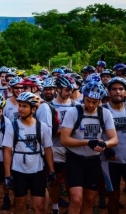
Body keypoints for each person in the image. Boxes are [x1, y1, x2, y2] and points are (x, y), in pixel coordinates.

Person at [60, 81, 118, 213]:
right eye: (88, 101)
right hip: (75, 159)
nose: (91, 105)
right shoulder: (73, 112)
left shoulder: (105, 114)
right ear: (83, 98)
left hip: (93, 161)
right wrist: (87, 142)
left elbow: (114, 139)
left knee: (90, 200)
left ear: (100, 101)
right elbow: (64, 139)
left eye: (95, 102)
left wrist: (104, 144)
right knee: (76, 199)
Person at [3, 92, 55, 214]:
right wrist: (7, 175)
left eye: (24, 106)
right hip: (18, 169)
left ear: (33, 109)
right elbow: (7, 150)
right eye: (19, 105)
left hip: (38, 169)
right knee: (20, 206)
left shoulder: (42, 127)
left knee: (40, 207)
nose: (20, 109)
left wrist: (51, 170)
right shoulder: (12, 126)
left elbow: (48, 149)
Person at [49, 74, 78, 214]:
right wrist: (66, 131)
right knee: (55, 179)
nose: (69, 93)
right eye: (66, 90)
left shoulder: (76, 106)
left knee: (71, 179)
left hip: (72, 148)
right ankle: (55, 207)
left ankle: (73, 206)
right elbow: (46, 132)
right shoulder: (49, 107)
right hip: (56, 148)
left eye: (71, 90)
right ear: (58, 89)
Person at [100, 77, 126, 214]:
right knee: (114, 196)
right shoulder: (101, 111)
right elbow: (94, 133)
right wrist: (105, 147)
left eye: (121, 89)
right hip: (110, 161)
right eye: (114, 89)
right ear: (109, 92)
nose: (118, 92)